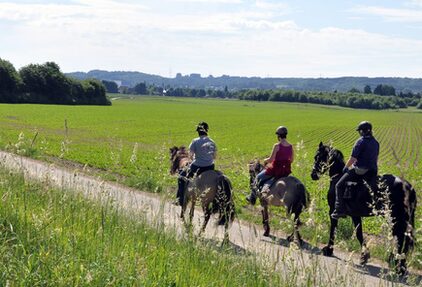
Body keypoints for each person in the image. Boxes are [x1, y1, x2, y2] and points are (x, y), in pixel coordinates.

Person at [331, 121, 380, 219]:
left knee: (338, 185)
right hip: (373, 170)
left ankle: (339, 210)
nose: (359, 133)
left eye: (360, 131)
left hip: (361, 170)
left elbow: (353, 158)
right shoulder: (376, 142)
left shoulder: (360, 141)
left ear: (363, 131)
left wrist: (345, 168)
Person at [246, 126, 294, 205]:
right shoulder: (291, 146)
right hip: (285, 171)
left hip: (275, 170)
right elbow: (291, 160)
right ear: (286, 135)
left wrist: (265, 160)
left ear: (278, 136)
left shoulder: (277, 146)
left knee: (258, 177)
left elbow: (271, 160)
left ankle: (252, 197)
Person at [175, 122, 217, 205]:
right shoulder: (212, 142)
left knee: (181, 177)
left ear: (198, 131)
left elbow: (190, 156)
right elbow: (214, 157)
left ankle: (180, 199)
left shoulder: (195, 141)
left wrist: (195, 158)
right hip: (210, 167)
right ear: (207, 130)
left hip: (198, 166)